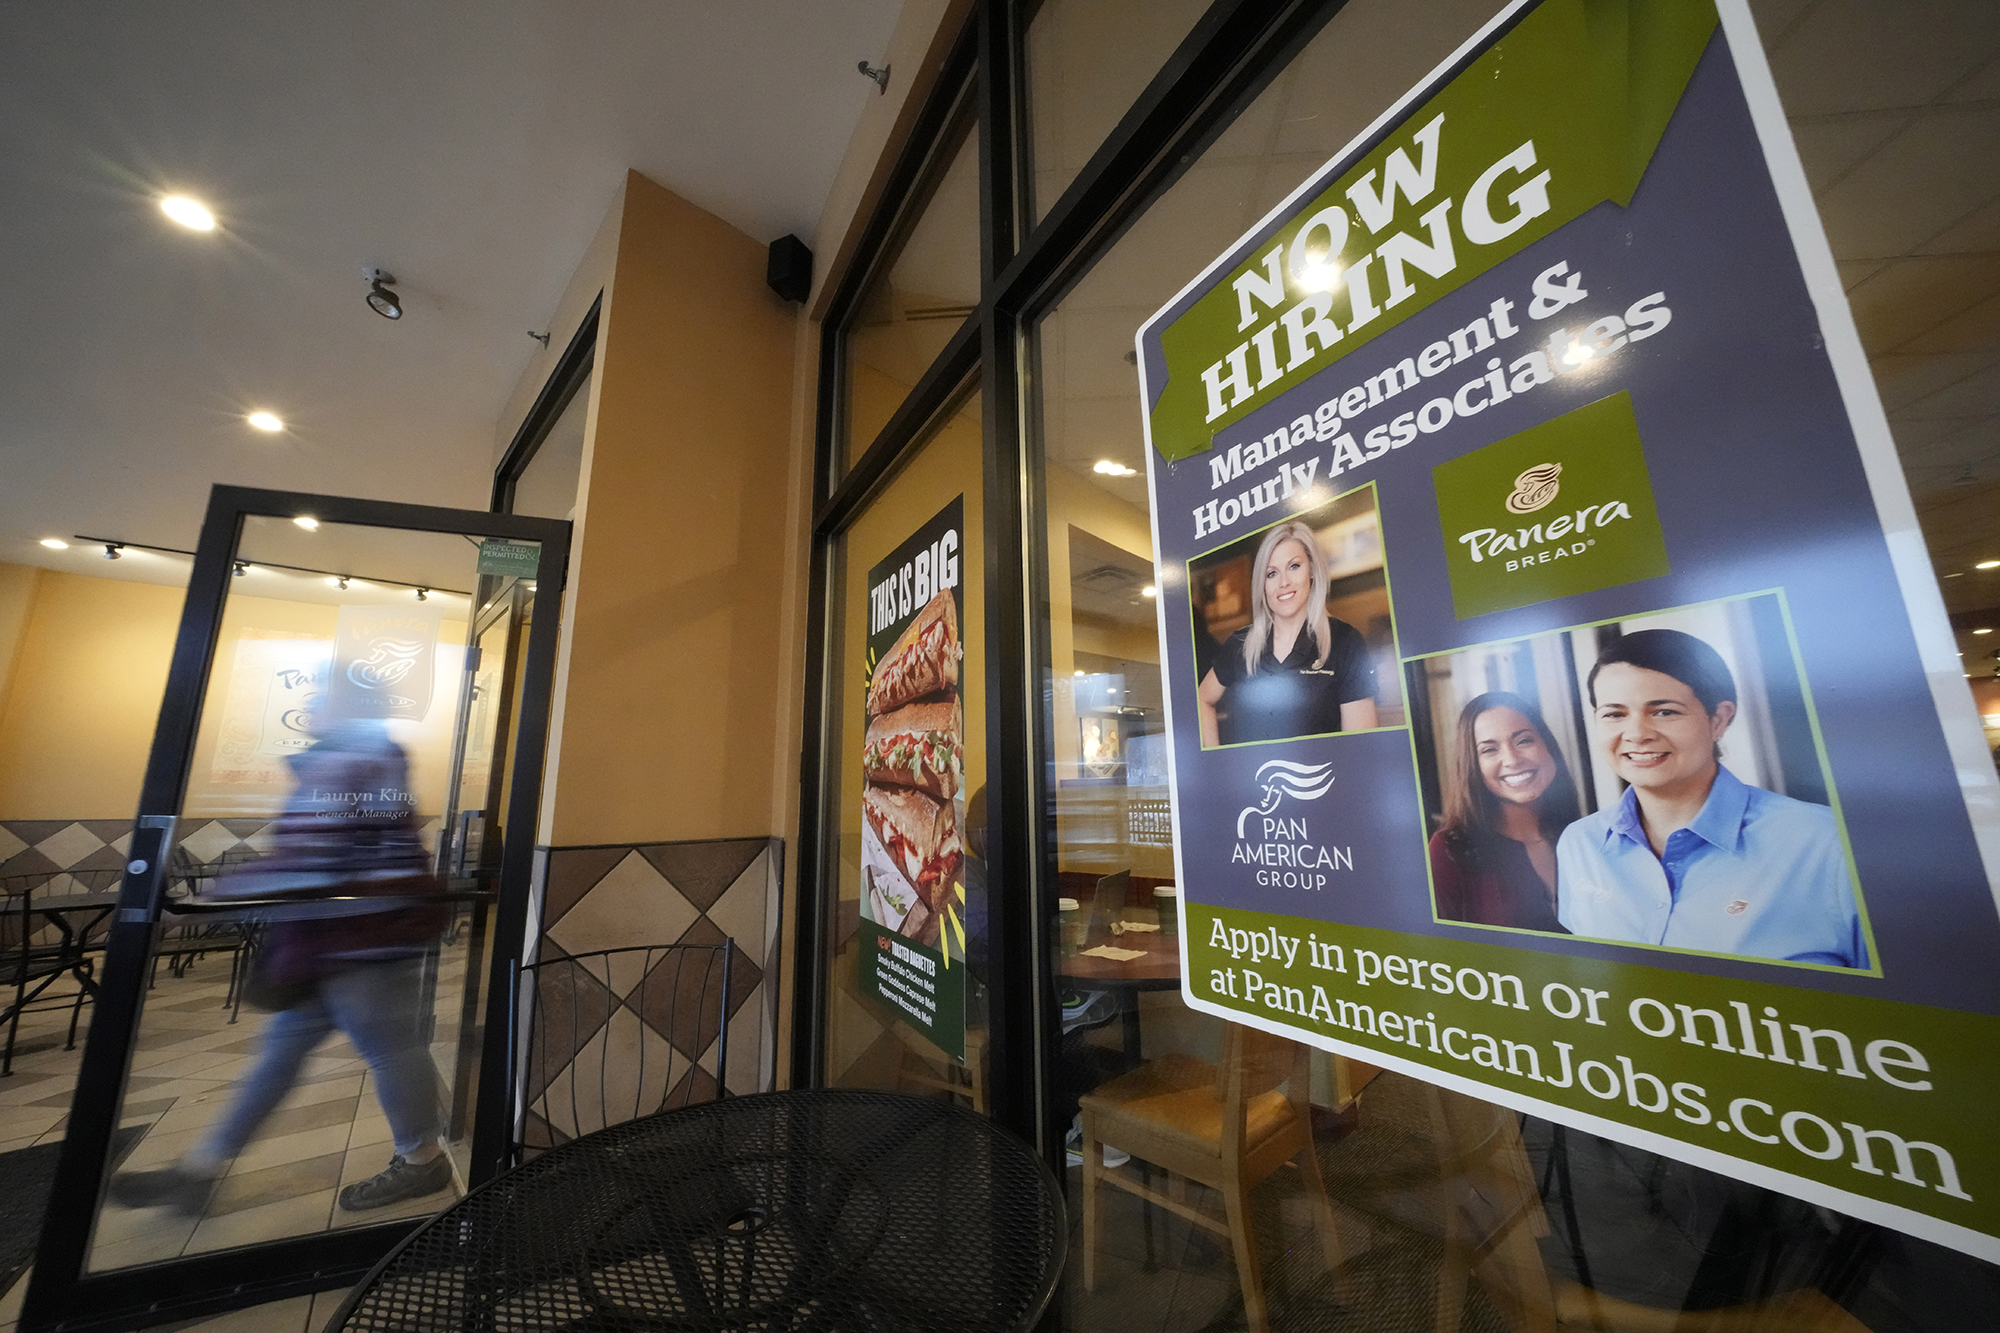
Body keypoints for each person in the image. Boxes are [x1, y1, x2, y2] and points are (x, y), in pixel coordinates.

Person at [108, 708, 455, 1216]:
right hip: (335, 938)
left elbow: (310, 859)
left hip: (360, 938)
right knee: (285, 1056)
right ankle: (199, 1171)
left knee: (391, 1051)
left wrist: (202, 905)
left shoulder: (351, 761)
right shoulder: (361, 759)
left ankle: (423, 1161)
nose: (309, 707)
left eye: (323, 696)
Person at [1556, 629, 1866, 968]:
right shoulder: (1580, 844)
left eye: (1664, 712)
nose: (1637, 734)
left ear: (1719, 720)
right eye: (1615, 714)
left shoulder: (1829, 844)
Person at [1196, 520, 1377, 746]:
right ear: (1262, 585)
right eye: (1271, 573)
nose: (1283, 582)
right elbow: (1202, 699)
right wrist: (1216, 761)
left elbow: (1361, 747)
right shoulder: (1241, 644)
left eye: (1294, 566)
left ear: (1311, 569)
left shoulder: (1345, 642)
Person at [1429, 691, 1575, 933]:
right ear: (1473, 766)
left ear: (1547, 746)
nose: (1512, 759)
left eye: (1524, 740)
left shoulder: (1585, 836)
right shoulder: (1448, 851)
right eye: (1489, 750)